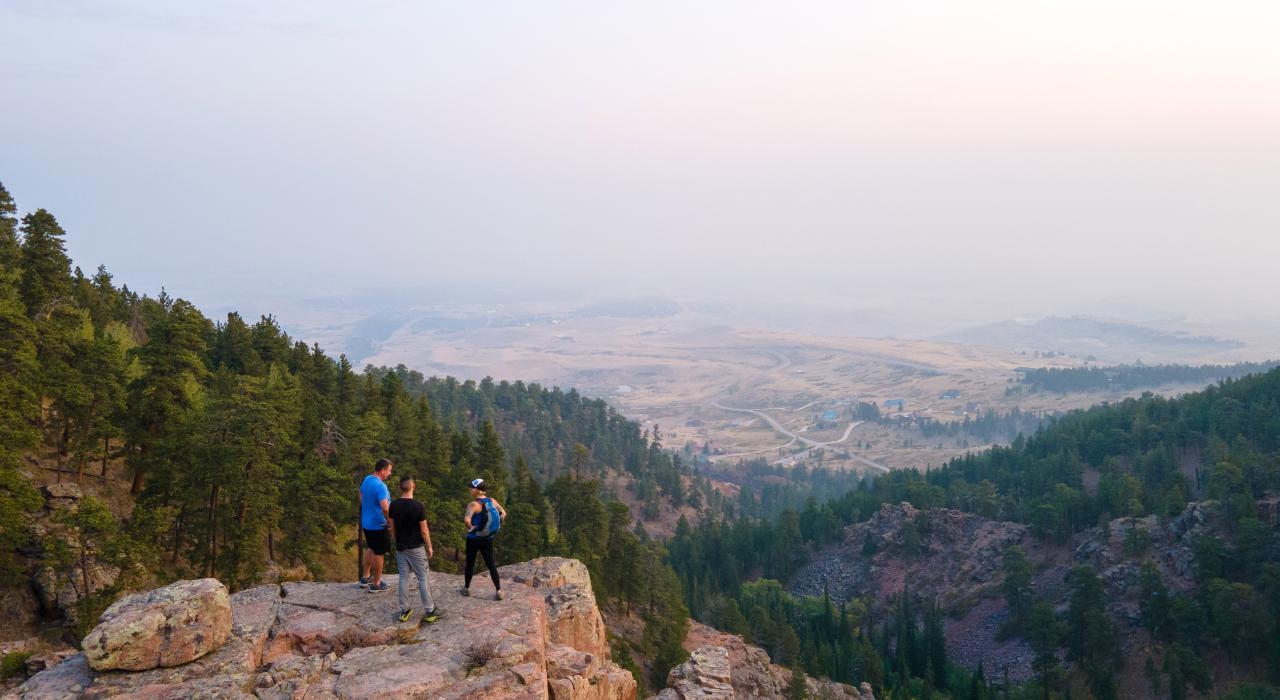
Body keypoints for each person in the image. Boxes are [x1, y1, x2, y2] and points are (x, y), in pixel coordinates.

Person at [388, 475, 438, 623]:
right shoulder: (418, 506)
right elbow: (424, 530)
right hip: (416, 547)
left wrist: (396, 540)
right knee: (423, 577)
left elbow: (392, 526)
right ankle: (430, 611)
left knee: (403, 577)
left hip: (401, 546)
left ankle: (405, 610)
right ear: (413, 487)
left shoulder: (394, 505)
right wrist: (429, 546)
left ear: (400, 488)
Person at [461, 478, 507, 600]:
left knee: (470, 563)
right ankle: (499, 591)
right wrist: (493, 525)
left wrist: (471, 528)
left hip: (473, 539)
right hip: (488, 538)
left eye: (472, 487)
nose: (470, 489)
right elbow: (503, 513)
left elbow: (466, 520)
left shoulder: (473, 505)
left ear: (478, 490)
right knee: (491, 564)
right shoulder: (492, 501)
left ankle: (466, 589)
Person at [359, 458, 393, 592]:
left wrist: (366, 507)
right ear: (383, 470)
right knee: (379, 553)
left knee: (371, 548)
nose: (390, 474)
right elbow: (385, 508)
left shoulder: (367, 479)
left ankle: (365, 577)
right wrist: (390, 522)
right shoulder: (380, 486)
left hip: (367, 523)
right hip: (378, 525)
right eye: (389, 471)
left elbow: (361, 493)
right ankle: (376, 583)